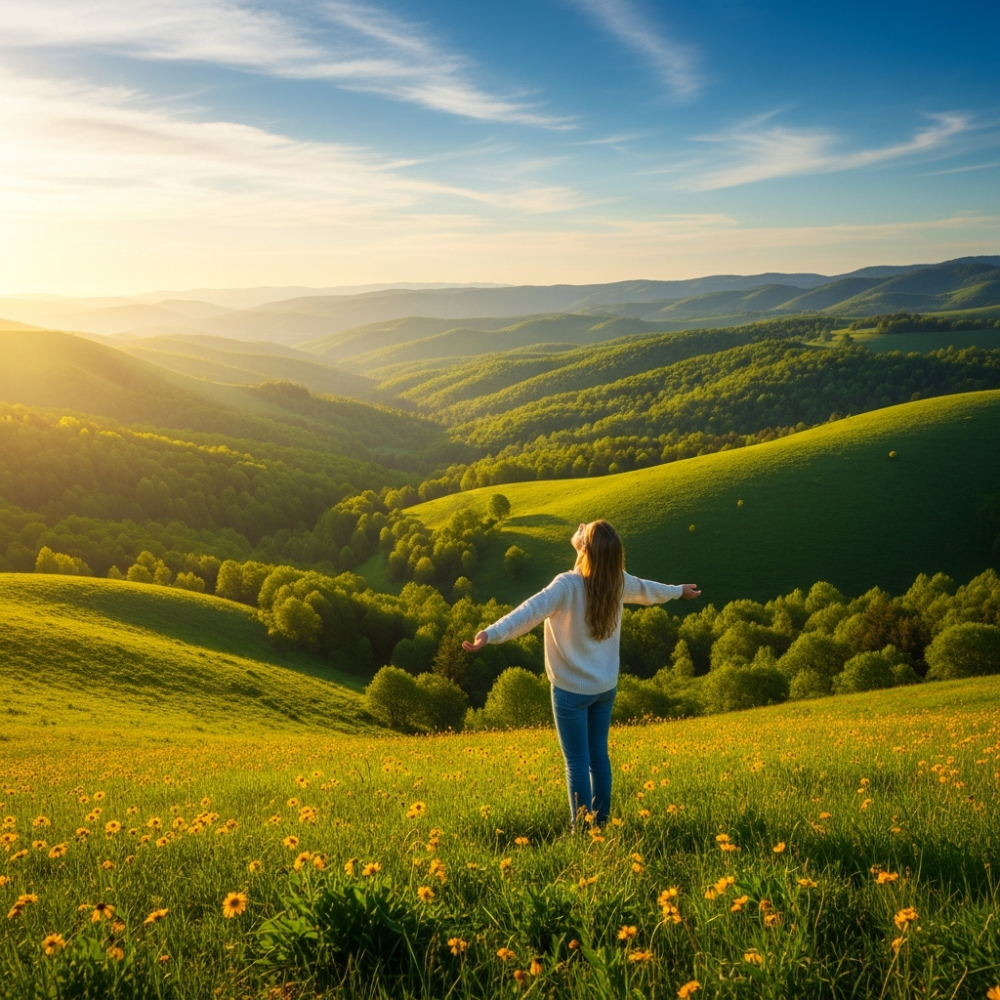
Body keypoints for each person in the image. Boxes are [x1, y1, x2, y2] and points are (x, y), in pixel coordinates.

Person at [463, 520, 700, 829]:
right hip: (604, 686)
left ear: (585, 549)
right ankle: (600, 823)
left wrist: (491, 633)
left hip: (570, 691)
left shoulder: (567, 585)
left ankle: (582, 828)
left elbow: (529, 612)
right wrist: (678, 591)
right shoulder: (617, 580)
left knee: (577, 762)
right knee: (598, 757)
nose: (580, 530)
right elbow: (647, 589)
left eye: (583, 533)